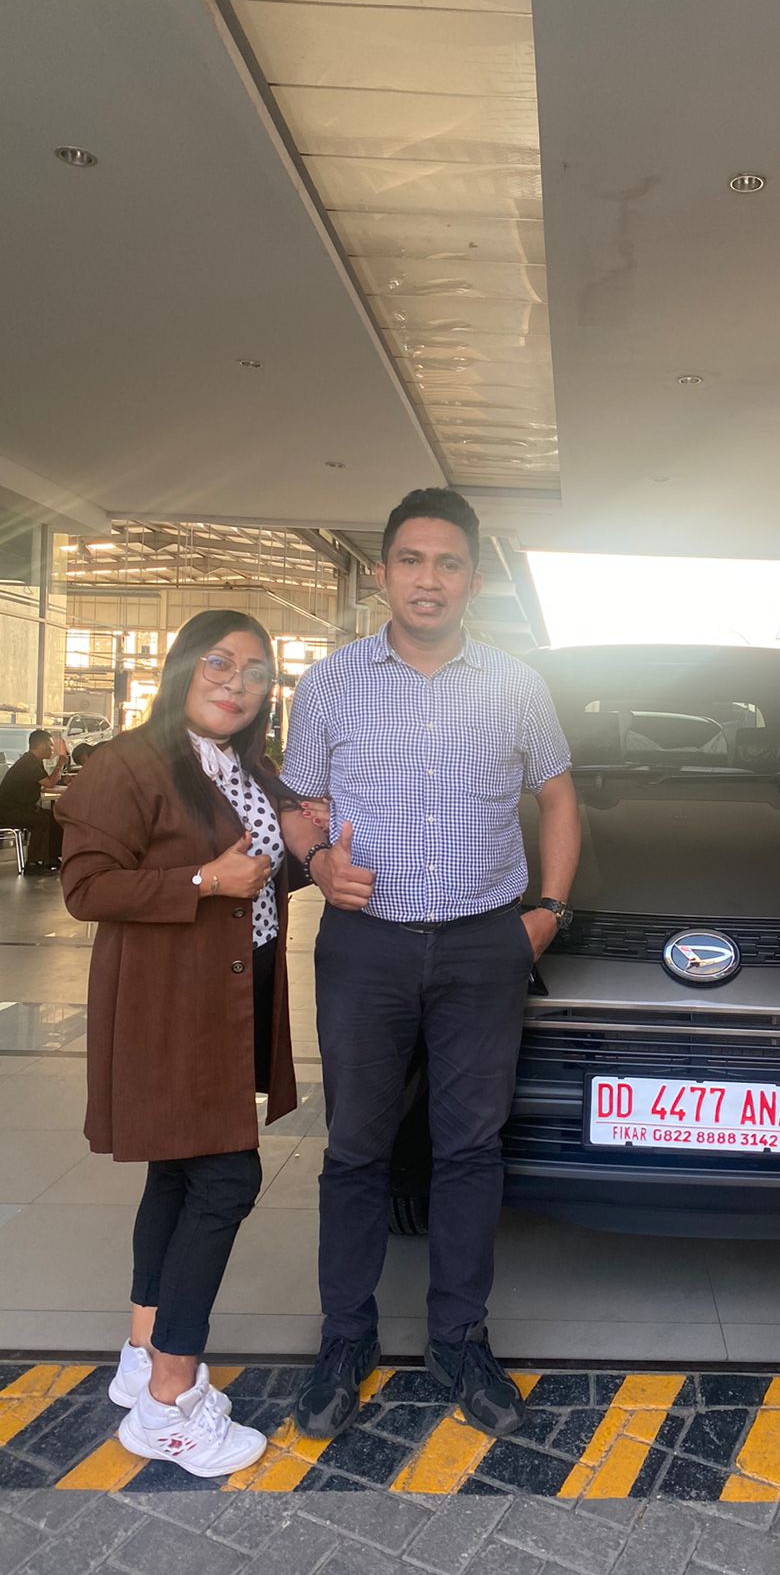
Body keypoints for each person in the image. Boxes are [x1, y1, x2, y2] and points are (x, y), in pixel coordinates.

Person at [280, 487, 581, 1442]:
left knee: (471, 1150)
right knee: (355, 1148)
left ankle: (458, 1339)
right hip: (365, 947)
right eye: (411, 559)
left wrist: (548, 912)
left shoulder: (516, 684)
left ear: (473, 582)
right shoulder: (330, 683)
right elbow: (297, 802)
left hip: (484, 944)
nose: (428, 579)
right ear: (383, 573)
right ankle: (345, 1337)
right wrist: (318, 862)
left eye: (448, 563)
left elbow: (560, 798)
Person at [57, 611, 306, 1478]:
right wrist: (204, 879)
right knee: (226, 1180)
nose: (237, 683)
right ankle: (168, 1403)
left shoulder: (246, 766)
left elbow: (266, 865)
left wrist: (306, 848)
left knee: (176, 1173)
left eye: (256, 671)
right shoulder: (128, 763)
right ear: (181, 668)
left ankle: (140, 1354)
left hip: (232, 999)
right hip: (170, 1006)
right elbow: (86, 887)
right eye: (219, 663)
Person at [0, 728, 68, 871]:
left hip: (22, 808)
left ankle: (51, 857)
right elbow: (49, 783)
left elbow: (43, 784)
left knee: (53, 817)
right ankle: (34, 863)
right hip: (9, 811)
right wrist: (61, 762)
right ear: (41, 746)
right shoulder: (28, 764)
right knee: (41, 821)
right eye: (50, 745)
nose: (53, 749)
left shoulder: (35, 761)